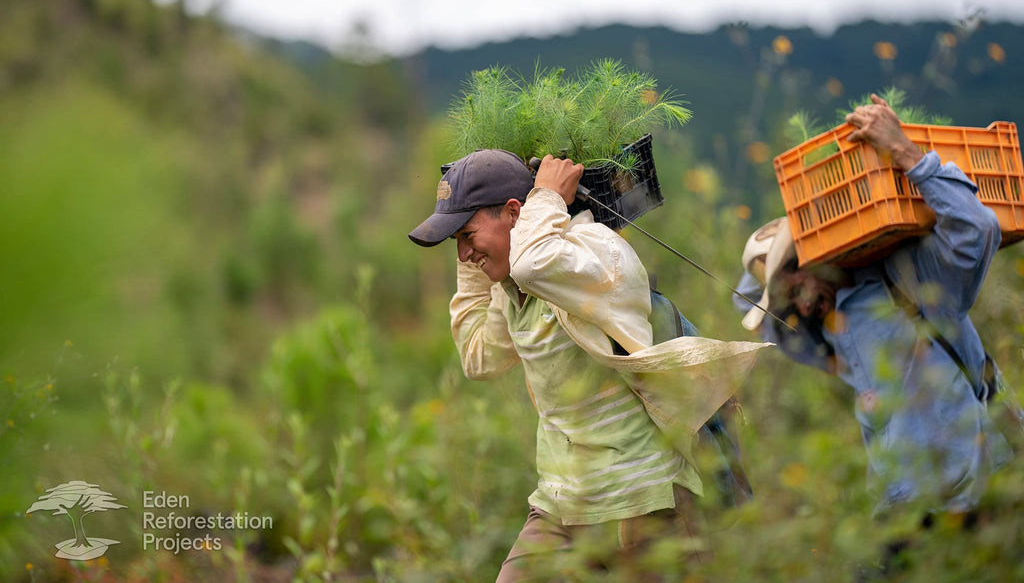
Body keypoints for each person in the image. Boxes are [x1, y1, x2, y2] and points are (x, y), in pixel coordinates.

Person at [410, 149, 765, 581]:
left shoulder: (597, 252)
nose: (463, 252)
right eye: (456, 242)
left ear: (514, 211)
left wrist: (544, 196)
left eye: (467, 235)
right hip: (562, 508)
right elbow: (478, 358)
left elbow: (533, 262)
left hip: (643, 504)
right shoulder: (512, 291)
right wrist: (475, 263)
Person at [735, 94, 1012, 524]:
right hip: (902, 506)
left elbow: (978, 229)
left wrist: (904, 153)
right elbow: (746, 303)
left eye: (794, 279)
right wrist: (781, 243)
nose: (799, 301)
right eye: (784, 295)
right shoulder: (828, 326)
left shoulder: (907, 278)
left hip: (971, 498)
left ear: (813, 253)